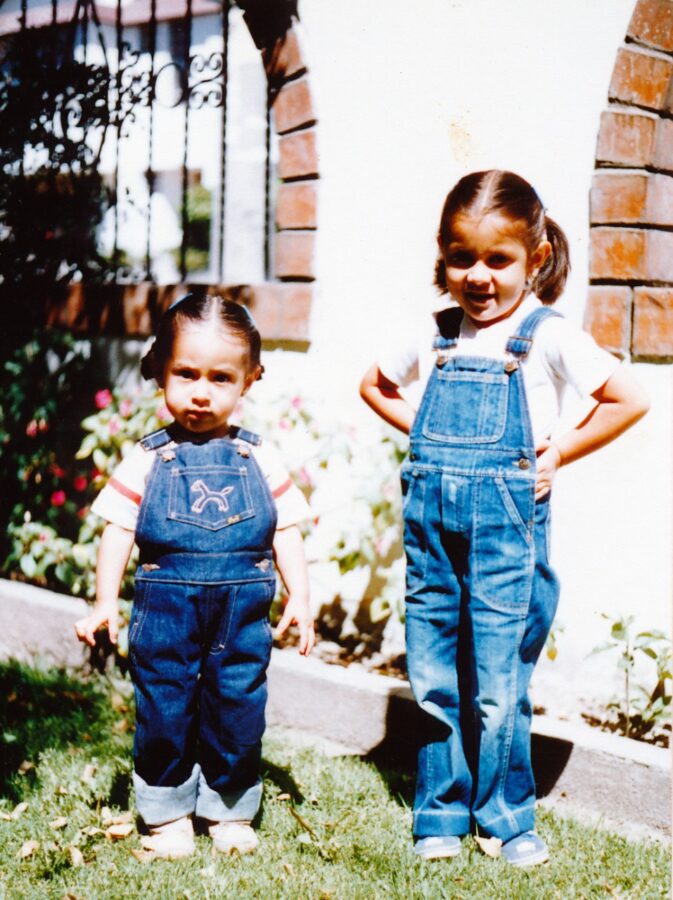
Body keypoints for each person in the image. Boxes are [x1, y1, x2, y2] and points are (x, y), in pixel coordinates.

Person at [359, 170, 649, 867]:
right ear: (442, 255)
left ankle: (504, 818)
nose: (478, 276)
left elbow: (628, 397)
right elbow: (372, 385)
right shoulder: (432, 333)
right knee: (432, 676)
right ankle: (439, 812)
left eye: (498, 260)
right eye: (461, 258)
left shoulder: (544, 336)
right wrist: (424, 436)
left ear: (534, 258)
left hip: (506, 542)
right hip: (434, 539)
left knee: (497, 685)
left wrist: (556, 452)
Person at [75, 294, 315, 859]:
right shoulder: (147, 458)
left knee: (237, 704)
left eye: (220, 378)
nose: (201, 392)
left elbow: (286, 529)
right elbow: (117, 529)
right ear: (161, 371)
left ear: (249, 380)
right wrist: (104, 602)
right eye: (186, 374)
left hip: (242, 613)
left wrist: (300, 595)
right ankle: (166, 812)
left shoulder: (261, 457)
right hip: (165, 609)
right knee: (165, 705)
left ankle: (229, 809)